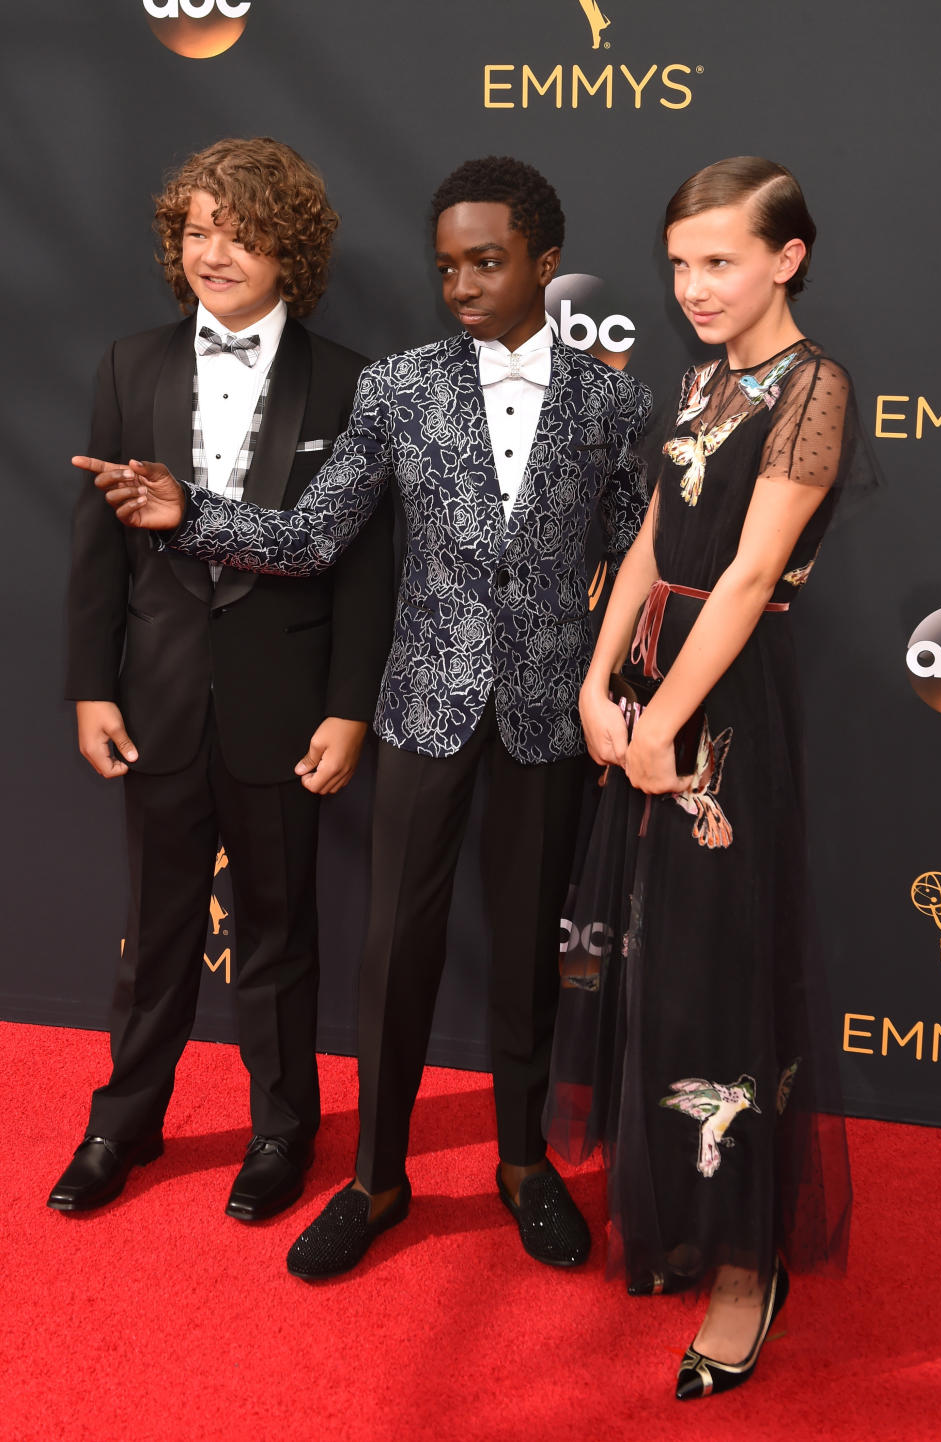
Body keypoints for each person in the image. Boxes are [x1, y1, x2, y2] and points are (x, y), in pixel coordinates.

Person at [75, 156, 652, 1275]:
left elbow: (632, 560)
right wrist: (191, 511)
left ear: (545, 260)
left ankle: (524, 1164)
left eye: (488, 261)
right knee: (395, 950)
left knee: (535, 947)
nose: (464, 285)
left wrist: (626, 685)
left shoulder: (614, 401)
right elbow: (314, 536)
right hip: (421, 701)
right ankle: (377, 1177)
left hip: (549, 710)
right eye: (448, 267)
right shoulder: (400, 385)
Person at [545, 156, 873, 1400]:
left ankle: (746, 1264)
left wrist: (661, 724)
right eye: (680, 263)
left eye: (721, 260)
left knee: (722, 964)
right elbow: (650, 539)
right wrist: (596, 687)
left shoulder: (815, 387)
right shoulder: (701, 373)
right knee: (651, 959)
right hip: (647, 687)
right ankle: (673, 1205)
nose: (693, 285)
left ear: (788, 257)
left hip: (722, 706)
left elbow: (745, 574)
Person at [49, 138, 394, 1222]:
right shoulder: (128, 364)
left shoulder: (348, 382)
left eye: (240, 232)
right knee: (153, 930)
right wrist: (90, 686)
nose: (215, 251)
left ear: (287, 248)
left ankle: (284, 1128)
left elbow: (363, 565)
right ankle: (123, 1120)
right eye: (198, 230)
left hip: (284, 708)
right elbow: (96, 545)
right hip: (154, 695)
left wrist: (347, 707)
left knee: (281, 933)